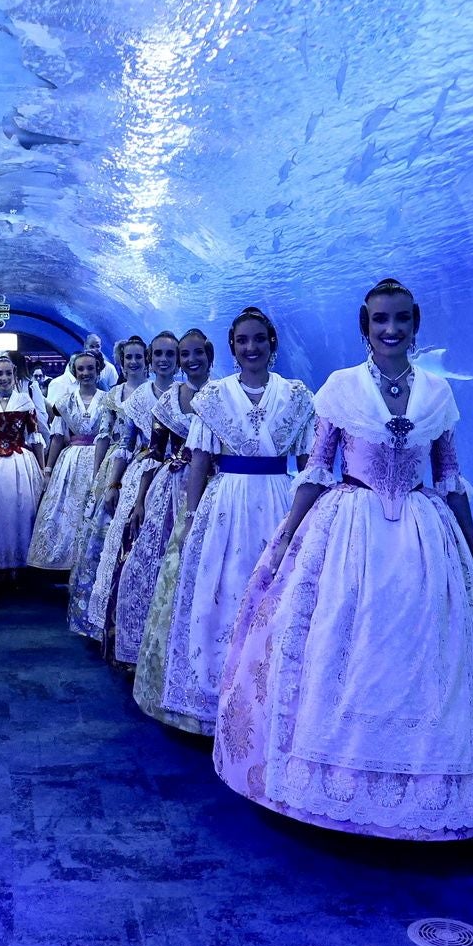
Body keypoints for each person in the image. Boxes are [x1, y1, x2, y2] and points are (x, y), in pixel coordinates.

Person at [212, 279, 473, 841]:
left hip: (421, 537)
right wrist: (287, 537)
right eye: (379, 320)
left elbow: (449, 479)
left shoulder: (437, 393)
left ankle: (418, 796)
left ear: (415, 324)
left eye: (400, 320)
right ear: (363, 328)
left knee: (416, 650)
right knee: (339, 647)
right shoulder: (341, 388)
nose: (391, 330)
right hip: (349, 534)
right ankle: (324, 783)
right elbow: (317, 470)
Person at [156, 307, 314, 735]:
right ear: (231, 346)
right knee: (221, 593)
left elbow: (307, 464)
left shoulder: (298, 396)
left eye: (259, 339)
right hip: (227, 504)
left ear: (272, 343)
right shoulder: (213, 398)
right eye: (243, 341)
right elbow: (199, 461)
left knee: (276, 598)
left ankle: (272, 702)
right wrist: (189, 517)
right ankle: (217, 701)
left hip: (280, 500)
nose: (251, 348)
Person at [131, 329, 213, 719]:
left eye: (197, 353)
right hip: (172, 484)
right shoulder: (168, 400)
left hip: (217, 488)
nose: (190, 360)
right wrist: (140, 497)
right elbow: (154, 449)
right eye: (184, 354)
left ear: (210, 354)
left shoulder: (224, 393)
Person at [87, 330, 182, 659]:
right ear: (151, 360)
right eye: (158, 355)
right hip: (144, 476)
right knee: (132, 552)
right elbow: (125, 447)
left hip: (184, 478)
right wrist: (112, 485)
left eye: (170, 355)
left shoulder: (192, 395)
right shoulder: (138, 400)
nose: (163, 361)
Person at [65, 335, 148, 638]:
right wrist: (99, 475)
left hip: (147, 465)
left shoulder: (160, 393)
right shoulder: (113, 395)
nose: (134, 362)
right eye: (129, 358)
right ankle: (100, 617)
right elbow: (104, 435)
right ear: (122, 362)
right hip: (116, 464)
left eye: (139, 357)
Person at [27, 350, 109, 571]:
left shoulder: (109, 401)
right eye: (81, 369)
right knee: (67, 513)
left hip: (100, 459)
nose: (85, 373)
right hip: (71, 461)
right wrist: (48, 469)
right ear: (75, 372)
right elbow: (56, 438)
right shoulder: (64, 403)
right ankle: (68, 563)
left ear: (98, 370)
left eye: (90, 368)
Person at [0, 355, 47, 576]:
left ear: (14, 375)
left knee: (21, 510)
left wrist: (42, 471)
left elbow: (35, 437)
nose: (4, 378)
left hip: (20, 463)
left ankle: (20, 565)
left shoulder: (24, 401)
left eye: (8, 373)